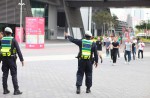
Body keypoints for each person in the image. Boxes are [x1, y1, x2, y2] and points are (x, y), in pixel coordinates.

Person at [0, 27, 24, 95]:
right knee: (14, 75)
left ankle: (5, 90)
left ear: (5, 33)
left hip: (4, 60)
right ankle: (16, 90)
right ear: (11, 33)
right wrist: (21, 60)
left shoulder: (2, 40)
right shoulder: (13, 40)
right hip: (12, 60)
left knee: (5, 75)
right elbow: (18, 50)